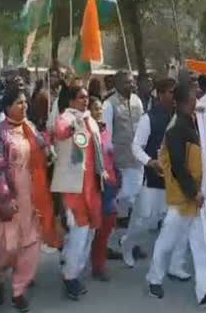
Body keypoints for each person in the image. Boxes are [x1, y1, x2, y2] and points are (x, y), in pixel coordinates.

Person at [146, 82, 206, 307]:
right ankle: (154, 278)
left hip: (196, 196)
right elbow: (179, 167)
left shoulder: (193, 123)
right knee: (167, 241)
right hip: (183, 198)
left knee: (201, 246)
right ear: (184, 101)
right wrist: (193, 192)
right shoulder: (176, 129)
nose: (197, 101)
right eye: (193, 98)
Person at [0, 88, 59, 312]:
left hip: (34, 196)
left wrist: (49, 151)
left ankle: (19, 290)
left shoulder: (30, 128)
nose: (24, 106)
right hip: (11, 197)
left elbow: (44, 150)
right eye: (18, 103)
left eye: (24, 102)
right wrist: (6, 195)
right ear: (7, 106)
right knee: (8, 248)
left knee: (31, 245)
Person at [124, 78, 188, 276]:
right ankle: (128, 243)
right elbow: (136, 146)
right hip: (154, 180)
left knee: (178, 224)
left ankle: (176, 266)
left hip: (177, 181)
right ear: (159, 94)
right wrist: (149, 161)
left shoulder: (183, 117)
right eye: (170, 92)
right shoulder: (148, 118)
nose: (173, 95)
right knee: (145, 222)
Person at [51, 85, 106, 301]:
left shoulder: (89, 119)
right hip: (73, 187)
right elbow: (61, 131)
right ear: (72, 100)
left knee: (90, 231)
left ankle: (73, 266)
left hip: (92, 185)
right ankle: (69, 277)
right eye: (81, 98)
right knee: (80, 232)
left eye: (86, 97)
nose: (85, 101)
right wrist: (75, 126)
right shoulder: (65, 118)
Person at [103, 71, 144, 247]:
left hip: (137, 160)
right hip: (119, 162)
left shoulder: (137, 101)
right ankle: (112, 244)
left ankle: (129, 242)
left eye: (132, 82)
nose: (132, 85)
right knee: (120, 202)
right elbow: (107, 136)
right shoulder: (108, 104)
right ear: (117, 84)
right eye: (127, 82)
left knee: (134, 202)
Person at [89, 96, 120, 282]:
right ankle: (97, 264)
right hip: (95, 184)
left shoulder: (105, 130)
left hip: (111, 183)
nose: (99, 111)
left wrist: (117, 176)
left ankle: (98, 261)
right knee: (96, 226)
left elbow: (110, 154)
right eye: (95, 108)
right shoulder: (88, 132)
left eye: (100, 108)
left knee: (108, 222)